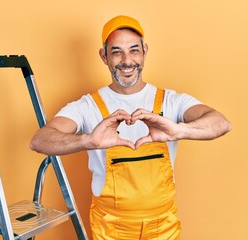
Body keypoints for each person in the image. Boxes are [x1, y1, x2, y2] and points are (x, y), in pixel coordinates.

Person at [30, 15, 231, 240]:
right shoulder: (87, 106)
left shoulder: (170, 101)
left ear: (144, 51)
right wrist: (87, 140)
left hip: (164, 226)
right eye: (116, 52)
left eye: (134, 50)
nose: (127, 60)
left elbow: (221, 123)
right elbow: (40, 140)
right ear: (104, 56)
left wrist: (179, 130)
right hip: (110, 228)